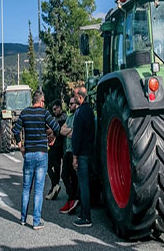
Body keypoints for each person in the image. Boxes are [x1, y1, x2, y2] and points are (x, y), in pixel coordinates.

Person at [12, 90, 60, 230]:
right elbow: (56, 127)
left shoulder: (24, 113)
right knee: (38, 190)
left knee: (26, 188)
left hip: (28, 154)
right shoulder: (44, 113)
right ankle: (36, 221)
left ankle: (22, 218)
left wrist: (20, 146)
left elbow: (15, 130)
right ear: (41, 101)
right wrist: (53, 137)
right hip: (41, 154)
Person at [72, 86, 95, 227]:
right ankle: (83, 213)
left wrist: (75, 156)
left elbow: (77, 136)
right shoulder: (90, 111)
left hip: (81, 154)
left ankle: (86, 217)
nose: (73, 98)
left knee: (83, 185)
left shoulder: (79, 113)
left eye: (75, 96)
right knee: (85, 184)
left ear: (80, 97)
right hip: (90, 151)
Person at [59, 96, 80, 214]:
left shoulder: (78, 117)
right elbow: (62, 131)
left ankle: (73, 199)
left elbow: (75, 133)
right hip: (68, 151)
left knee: (71, 176)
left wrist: (69, 131)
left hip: (73, 151)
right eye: (69, 103)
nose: (69, 106)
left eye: (71, 104)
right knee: (66, 175)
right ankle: (72, 198)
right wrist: (69, 131)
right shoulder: (69, 117)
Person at [45, 99, 66, 201]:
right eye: (52, 110)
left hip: (59, 146)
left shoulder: (64, 118)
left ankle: (54, 187)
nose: (54, 111)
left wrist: (52, 132)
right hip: (54, 146)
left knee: (56, 168)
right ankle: (55, 186)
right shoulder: (54, 118)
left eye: (55, 109)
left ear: (59, 108)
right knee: (50, 166)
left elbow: (60, 130)